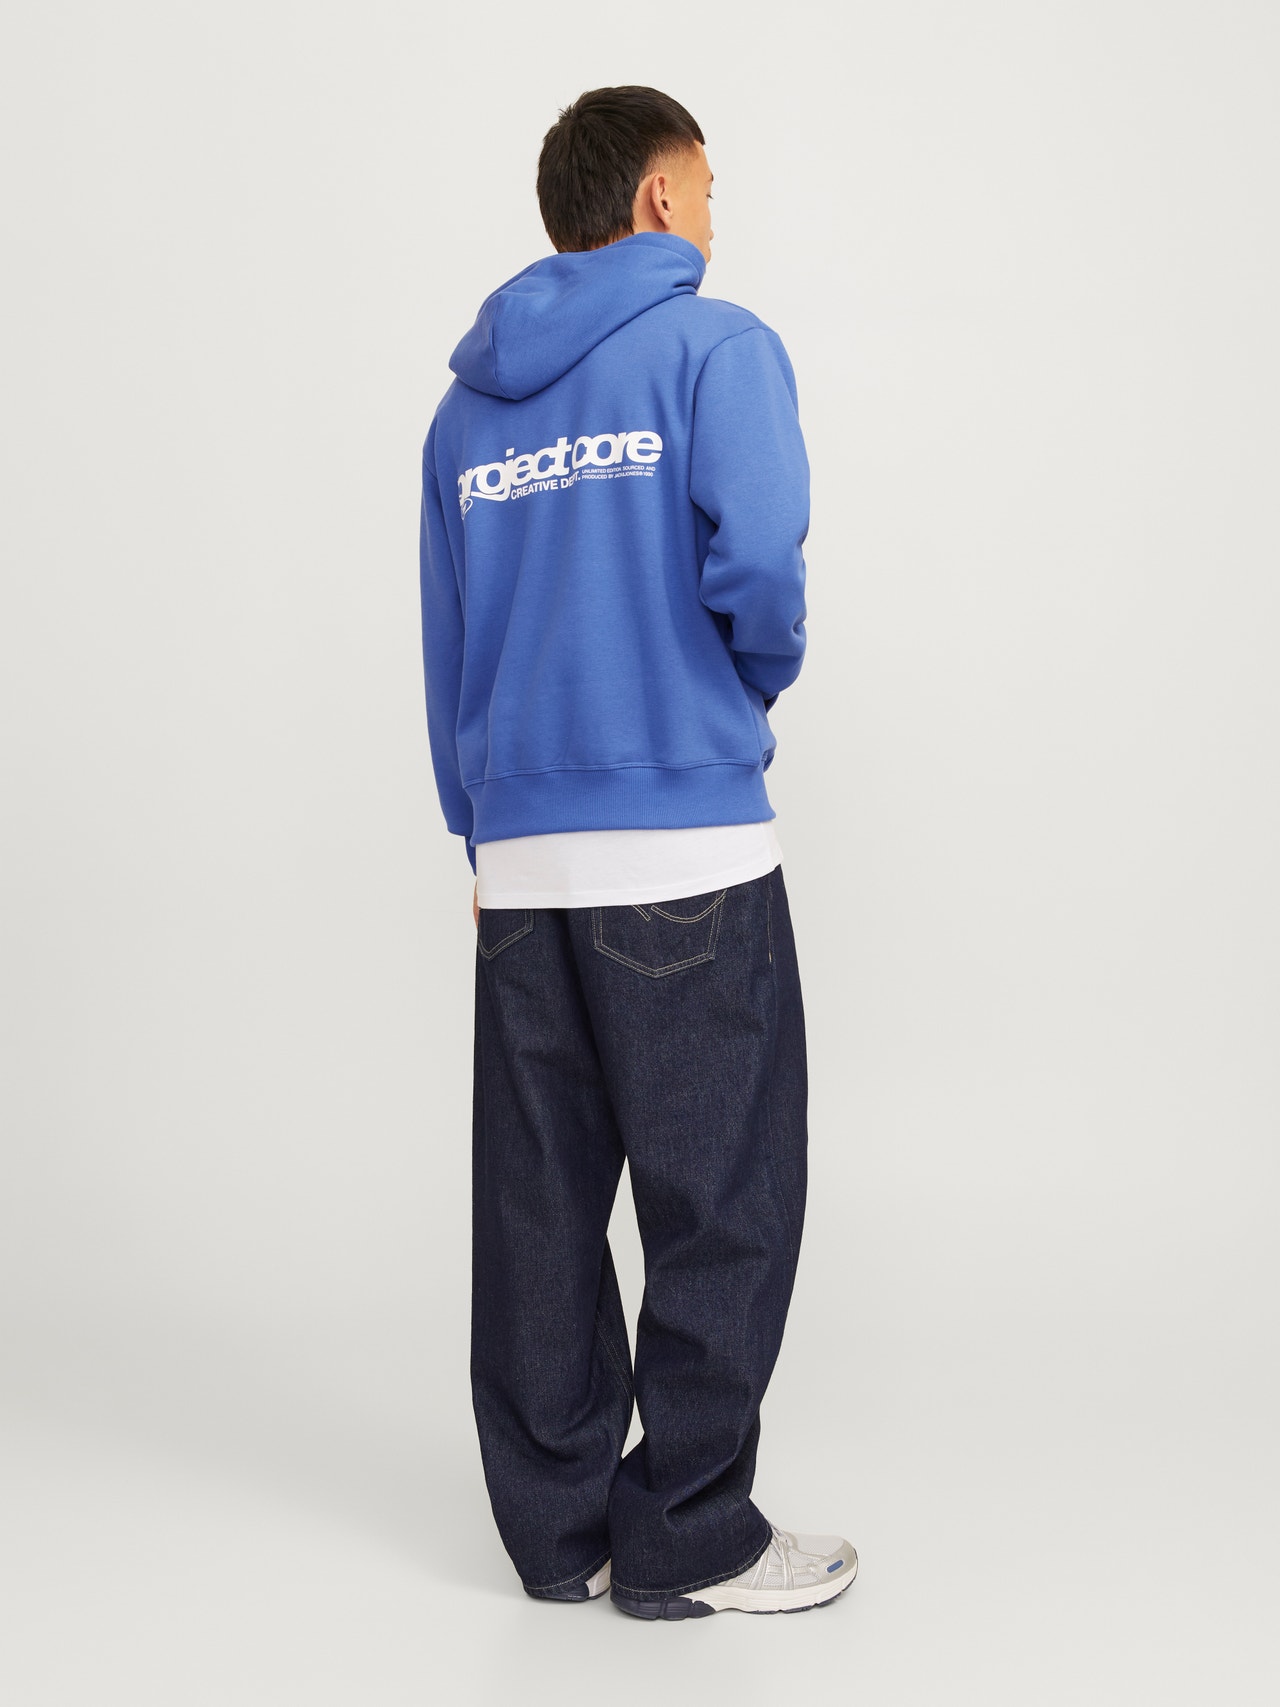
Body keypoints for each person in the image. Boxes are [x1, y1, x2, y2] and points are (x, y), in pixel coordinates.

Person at [417, 84, 857, 1620]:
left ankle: (561, 1538)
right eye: (709, 188)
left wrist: (478, 832)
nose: (717, 216)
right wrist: (741, 689)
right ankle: (689, 1533)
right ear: (661, 197)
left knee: (536, 1207)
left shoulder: (464, 412)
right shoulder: (713, 348)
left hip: (524, 863)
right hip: (684, 847)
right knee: (724, 1197)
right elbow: (762, 560)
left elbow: (447, 634)